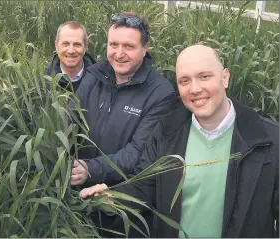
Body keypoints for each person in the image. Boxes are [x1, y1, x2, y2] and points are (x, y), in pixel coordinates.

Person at [79, 45, 279, 238]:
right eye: (184, 81)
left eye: (204, 77)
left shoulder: (268, 140)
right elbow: (146, 185)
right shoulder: (167, 131)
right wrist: (113, 197)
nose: (195, 89)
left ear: (225, 77)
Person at [70, 12, 177, 187]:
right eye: (113, 45)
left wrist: (91, 169)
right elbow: (71, 118)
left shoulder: (161, 94)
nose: (119, 54)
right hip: (76, 182)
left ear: (145, 48)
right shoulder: (93, 74)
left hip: (119, 194)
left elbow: (138, 151)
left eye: (129, 46)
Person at [45, 21, 96, 92]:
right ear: (56, 45)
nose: (71, 51)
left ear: (85, 47)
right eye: (65, 44)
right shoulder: (43, 81)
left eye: (77, 44)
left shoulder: (100, 80)